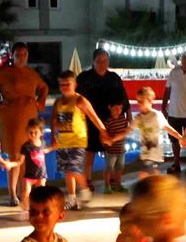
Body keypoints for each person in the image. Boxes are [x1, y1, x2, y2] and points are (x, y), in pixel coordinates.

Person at [0, 43, 51, 206]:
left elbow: (44, 87)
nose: (22, 57)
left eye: (25, 54)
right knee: (15, 155)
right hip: (11, 117)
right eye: (18, 54)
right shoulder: (4, 73)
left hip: (29, 115)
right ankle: (12, 194)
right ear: (12, 56)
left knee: (27, 155)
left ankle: (23, 192)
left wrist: (39, 103)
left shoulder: (31, 73)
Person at [51, 70, 114, 210]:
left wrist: (104, 133)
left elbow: (94, 117)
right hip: (63, 141)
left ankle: (85, 191)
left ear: (75, 84)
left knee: (73, 168)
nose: (64, 87)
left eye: (68, 84)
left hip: (78, 141)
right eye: (62, 84)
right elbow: (54, 119)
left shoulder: (80, 100)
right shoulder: (58, 102)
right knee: (67, 170)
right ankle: (72, 198)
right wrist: (53, 137)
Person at [77, 49, 128, 197]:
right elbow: (77, 99)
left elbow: (123, 98)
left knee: (111, 151)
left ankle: (111, 180)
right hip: (90, 120)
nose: (102, 63)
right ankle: (88, 179)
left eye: (105, 60)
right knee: (90, 151)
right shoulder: (84, 78)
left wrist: (127, 115)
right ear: (93, 62)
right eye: (99, 61)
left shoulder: (113, 78)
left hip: (110, 119)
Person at [129, 87, 184, 179]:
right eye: (138, 101)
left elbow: (168, 128)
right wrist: (112, 139)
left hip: (154, 154)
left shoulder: (156, 115)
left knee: (145, 176)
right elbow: (127, 131)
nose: (139, 104)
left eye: (141, 101)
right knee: (150, 177)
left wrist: (180, 137)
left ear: (150, 101)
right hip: (145, 155)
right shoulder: (139, 118)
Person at [17, 119, 50, 210]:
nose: (33, 135)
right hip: (29, 175)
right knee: (26, 193)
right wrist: (11, 164)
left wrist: (55, 146)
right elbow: (20, 161)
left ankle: (41, 208)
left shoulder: (43, 143)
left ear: (41, 133)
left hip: (41, 175)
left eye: (35, 132)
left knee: (42, 193)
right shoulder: (25, 146)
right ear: (27, 132)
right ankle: (26, 209)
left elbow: (46, 151)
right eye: (30, 132)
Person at [102, 101, 132, 193]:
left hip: (121, 150)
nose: (118, 111)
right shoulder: (108, 121)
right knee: (109, 168)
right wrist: (105, 143)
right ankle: (107, 186)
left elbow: (125, 131)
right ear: (109, 107)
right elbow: (103, 134)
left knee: (119, 168)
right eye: (116, 108)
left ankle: (118, 184)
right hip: (111, 151)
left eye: (120, 108)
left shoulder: (122, 119)